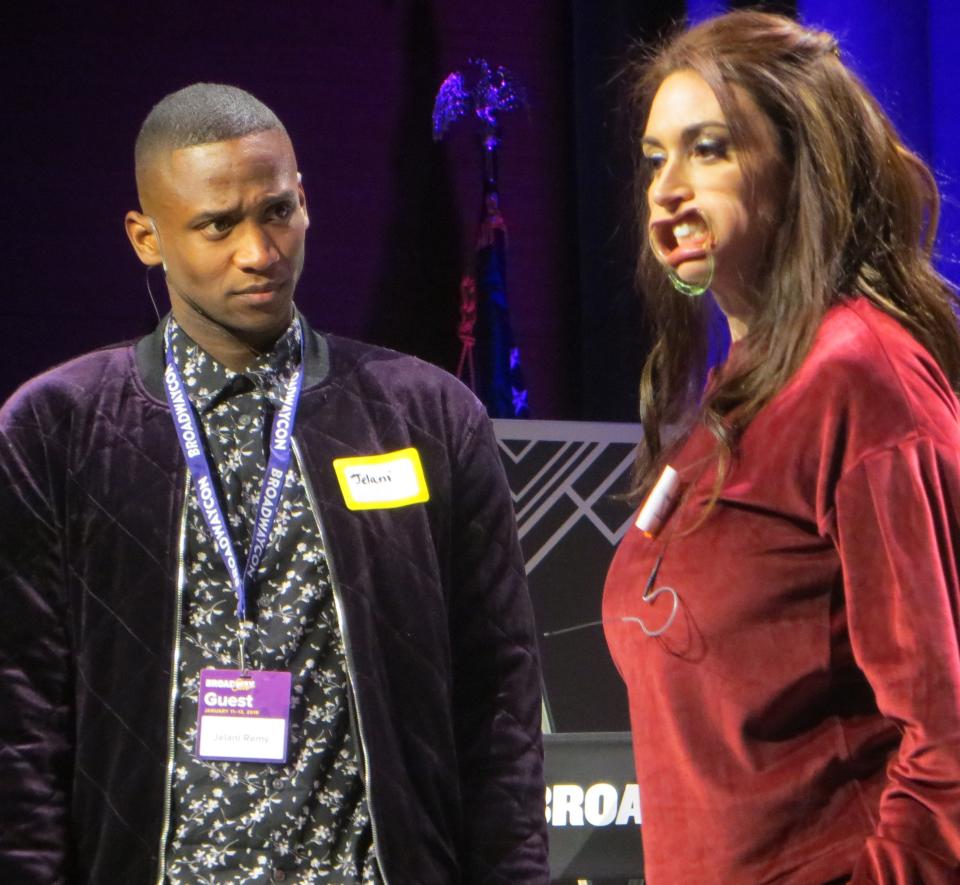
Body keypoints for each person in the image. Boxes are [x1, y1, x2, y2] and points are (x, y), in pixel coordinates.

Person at [0, 83, 548, 884]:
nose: (259, 250)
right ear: (146, 237)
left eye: (278, 212)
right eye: (217, 225)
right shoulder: (57, 431)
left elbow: (498, 701)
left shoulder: (424, 417)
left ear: (306, 202)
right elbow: (20, 723)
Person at [603, 11, 960, 885]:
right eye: (656, 157)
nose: (667, 190)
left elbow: (949, 741)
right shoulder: (742, 388)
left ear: (800, 164)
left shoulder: (861, 377)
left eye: (709, 149)